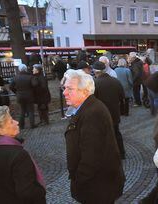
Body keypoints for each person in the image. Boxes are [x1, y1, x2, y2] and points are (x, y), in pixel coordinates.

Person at [62, 70, 125, 203]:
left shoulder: (92, 113)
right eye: (64, 88)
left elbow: (91, 158)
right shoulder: (87, 108)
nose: (64, 92)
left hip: (97, 188)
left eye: (69, 88)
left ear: (84, 91)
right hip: (97, 186)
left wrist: (78, 181)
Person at [0, 106, 46, 203]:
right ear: (0, 130)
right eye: (11, 121)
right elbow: (28, 193)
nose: (17, 122)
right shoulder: (18, 155)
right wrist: (41, 191)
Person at [92, 61, 126, 159]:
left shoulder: (95, 83)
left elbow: (93, 100)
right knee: (116, 133)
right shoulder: (116, 81)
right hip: (115, 113)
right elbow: (122, 96)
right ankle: (121, 153)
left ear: (96, 72)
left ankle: (107, 155)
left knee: (103, 135)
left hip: (101, 114)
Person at [10, 64, 38, 129]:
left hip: (19, 96)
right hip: (29, 95)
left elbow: (11, 86)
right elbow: (35, 84)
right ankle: (32, 125)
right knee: (31, 110)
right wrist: (32, 90)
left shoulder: (16, 77)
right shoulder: (30, 77)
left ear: (19, 69)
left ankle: (21, 125)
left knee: (22, 111)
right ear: (26, 69)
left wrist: (16, 92)